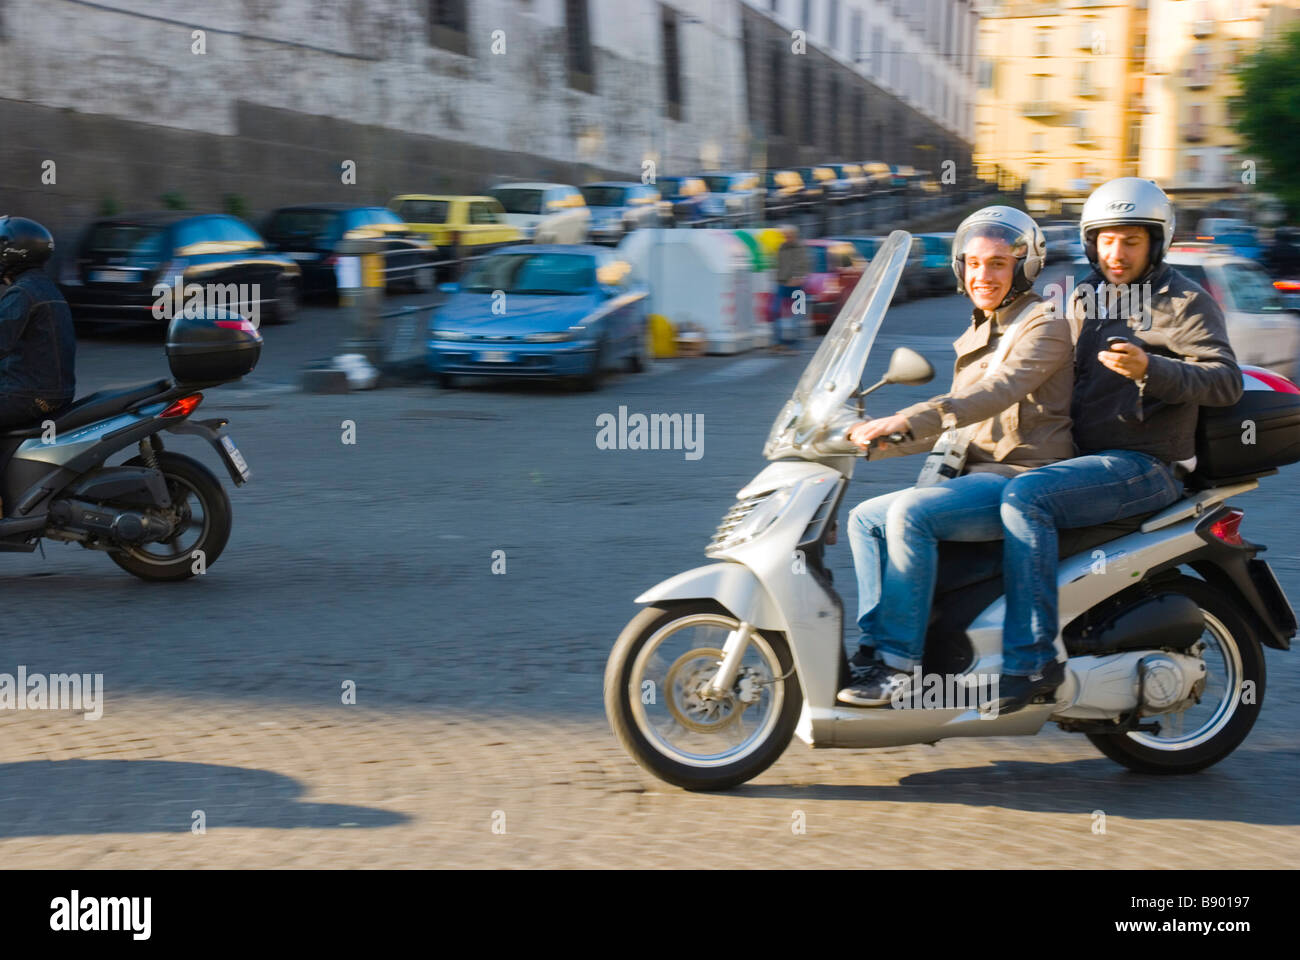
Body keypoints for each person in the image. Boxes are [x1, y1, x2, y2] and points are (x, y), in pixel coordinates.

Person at [992, 178, 1243, 714]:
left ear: (1156, 241)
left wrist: (1152, 368)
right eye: (1106, 239)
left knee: (1027, 500)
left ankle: (1033, 661)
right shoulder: (1082, 297)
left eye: (1130, 240)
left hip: (1146, 465)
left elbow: (1225, 381)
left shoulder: (1185, 302)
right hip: (1080, 462)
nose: (1116, 252)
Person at [837, 207, 1074, 706]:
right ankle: (876, 647)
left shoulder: (1046, 326)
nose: (981, 275)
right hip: (979, 471)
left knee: (909, 513)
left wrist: (908, 417)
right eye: (972, 263)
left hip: (1020, 476)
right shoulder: (982, 328)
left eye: (997, 264)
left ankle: (899, 665)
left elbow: (993, 393)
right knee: (865, 518)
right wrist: (869, 438)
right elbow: (958, 423)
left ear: (1024, 267)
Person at [0, 216, 76, 430]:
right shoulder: (47, 289)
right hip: (55, 393)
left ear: (14, 253)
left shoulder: (22, 292)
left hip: (27, 396)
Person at [770, 224, 809, 354]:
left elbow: (803, 265)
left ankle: (795, 346)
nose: (786, 237)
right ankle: (778, 343)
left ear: (794, 235)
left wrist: (797, 277)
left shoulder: (801, 248)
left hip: (797, 286)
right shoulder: (782, 247)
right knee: (774, 311)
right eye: (784, 235)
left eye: (788, 235)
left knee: (796, 317)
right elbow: (778, 264)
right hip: (782, 284)